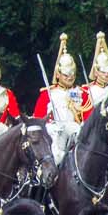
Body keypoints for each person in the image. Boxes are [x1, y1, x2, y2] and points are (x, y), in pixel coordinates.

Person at [33, 34, 90, 163]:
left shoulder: (82, 93)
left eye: (72, 74)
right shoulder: (47, 94)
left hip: (76, 132)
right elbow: (38, 118)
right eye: (66, 74)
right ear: (58, 74)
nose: (70, 77)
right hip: (54, 134)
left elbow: (88, 115)